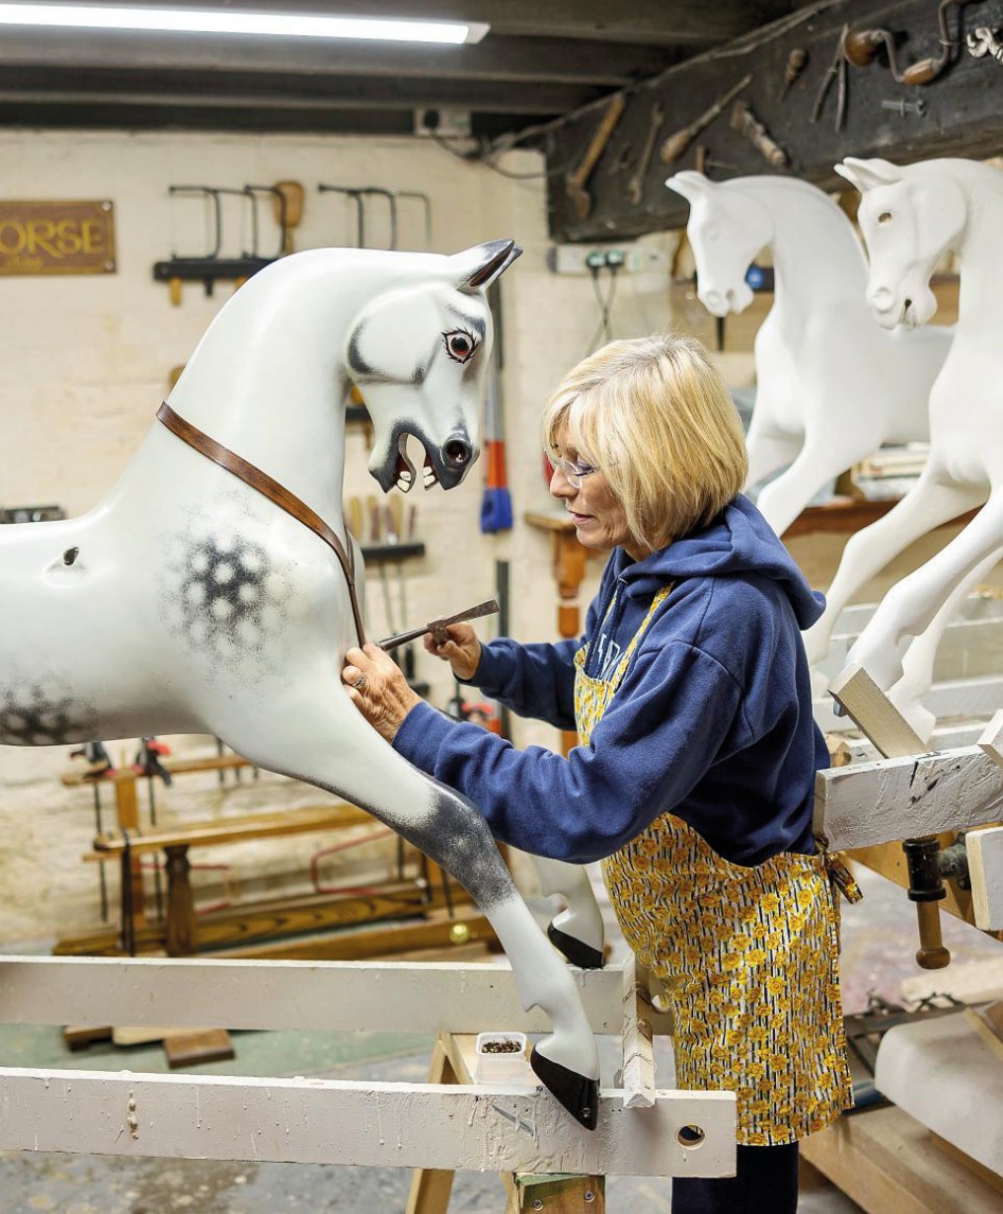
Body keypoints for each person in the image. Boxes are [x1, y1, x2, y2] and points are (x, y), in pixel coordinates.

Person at [341, 334, 852, 1214]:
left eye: (583, 465)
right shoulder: (647, 561)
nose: (556, 484)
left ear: (658, 467)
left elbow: (587, 806)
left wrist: (418, 729)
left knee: (727, 1175)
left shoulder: (717, 617)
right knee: (709, 1155)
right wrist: (492, 666)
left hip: (746, 945)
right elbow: (605, 679)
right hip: (693, 924)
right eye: (557, 459)